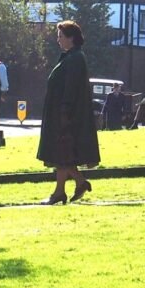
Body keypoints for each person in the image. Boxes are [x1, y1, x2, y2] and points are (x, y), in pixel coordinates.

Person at [37, 21, 99, 205]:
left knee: (63, 152)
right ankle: (65, 189)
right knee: (63, 153)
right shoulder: (69, 57)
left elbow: (71, 87)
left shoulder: (75, 58)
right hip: (61, 112)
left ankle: (68, 188)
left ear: (71, 38)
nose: (58, 40)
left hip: (67, 114)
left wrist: (65, 110)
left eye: (61, 36)